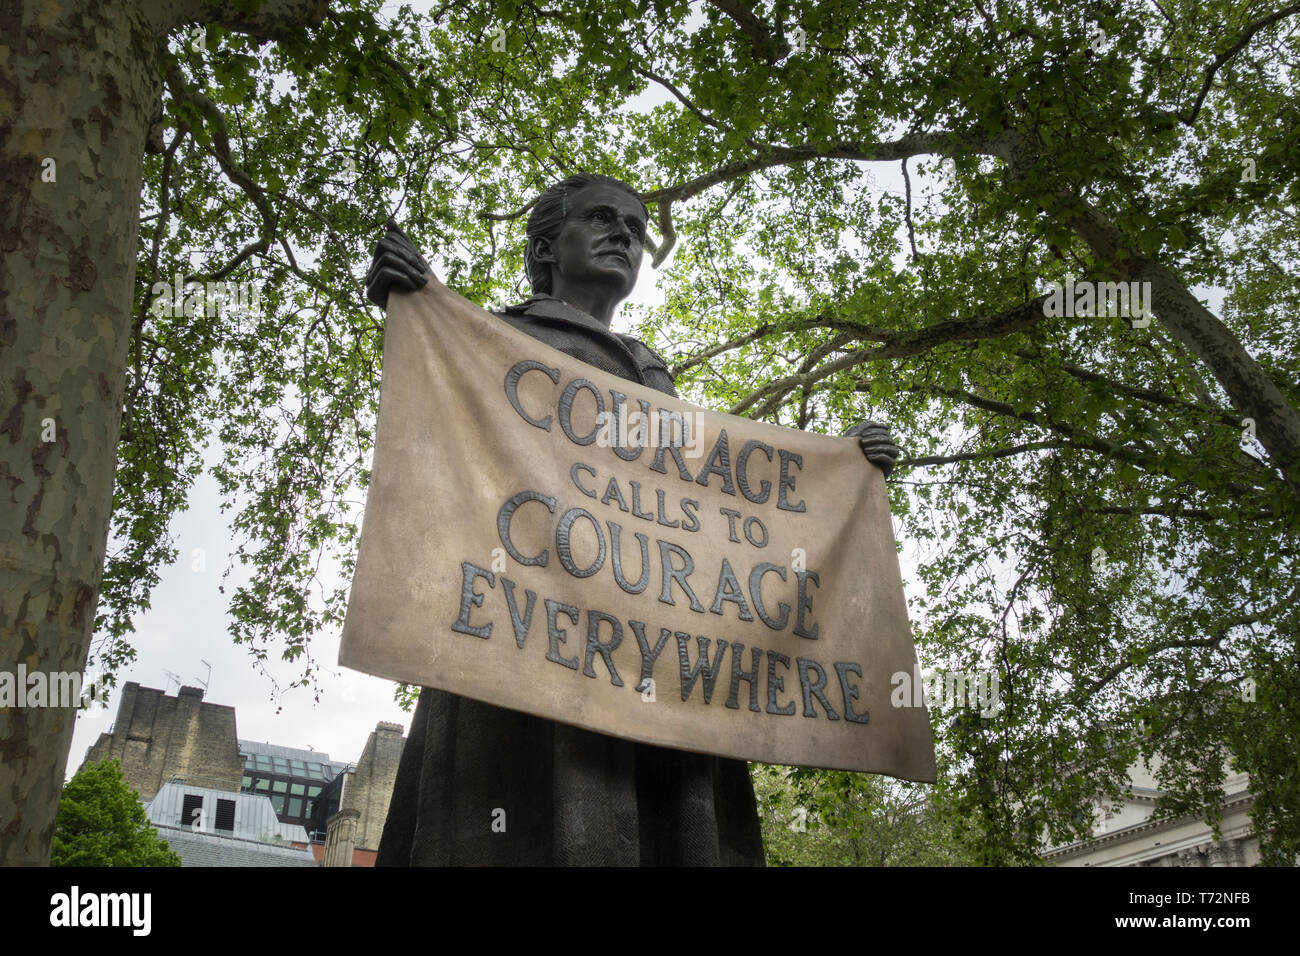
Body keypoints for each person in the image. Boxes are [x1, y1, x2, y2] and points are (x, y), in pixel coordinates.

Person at [364, 173, 899, 865]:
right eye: (603, 219)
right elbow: (433, 451)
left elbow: (720, 512)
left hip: (659, 666)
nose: (626, 234)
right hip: (527, 650)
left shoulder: (654, 375)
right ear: (547, 247)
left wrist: (842, 470)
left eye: (637, 227)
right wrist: (415, 312)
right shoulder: (492, 337)